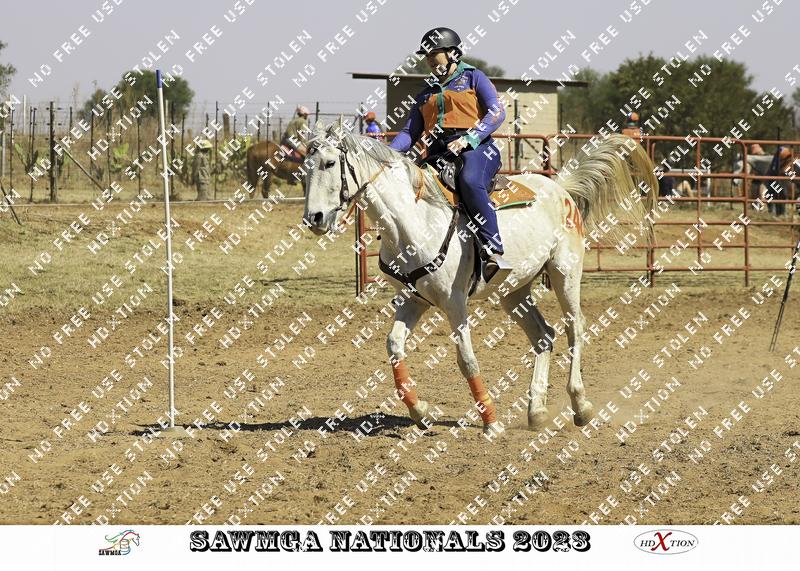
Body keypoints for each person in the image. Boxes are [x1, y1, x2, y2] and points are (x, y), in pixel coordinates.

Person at [388, 27, 508, 283]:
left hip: (478, 149)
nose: (430, 60)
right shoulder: (425, 93)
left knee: (469, 180)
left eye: (435, 53)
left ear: (452, 53)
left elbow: (497, 112)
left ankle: (493, 251)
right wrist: (387, 154)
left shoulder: (474, 77)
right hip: (438, 154)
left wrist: (469, 138)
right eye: (427, 55)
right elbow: (409, 132)